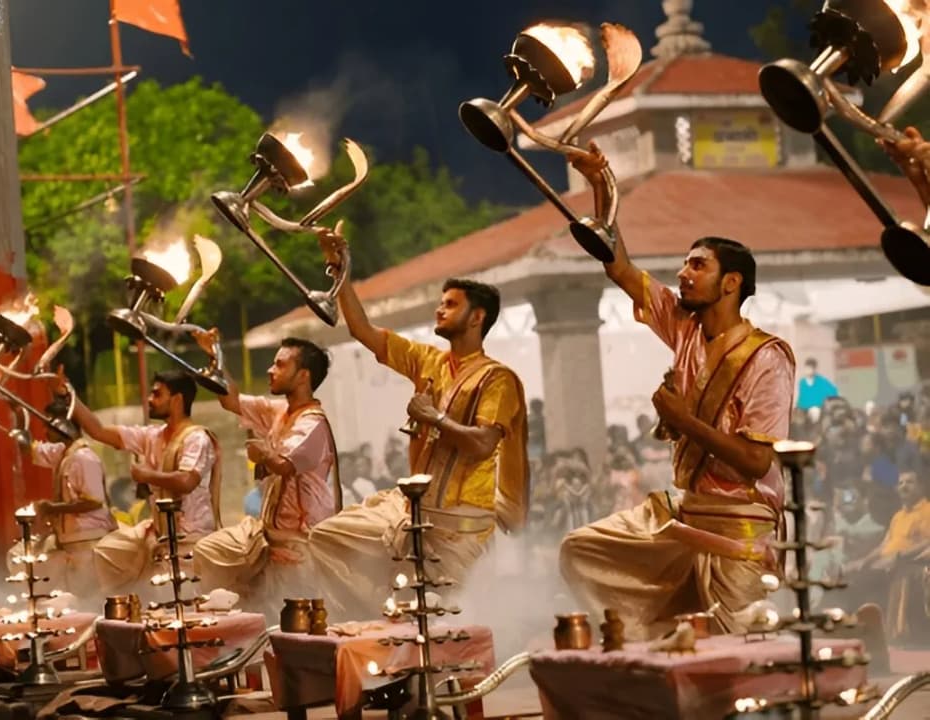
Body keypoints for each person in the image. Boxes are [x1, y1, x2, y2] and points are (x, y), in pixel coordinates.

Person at [559, 142, 795, 641]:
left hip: (738, 522)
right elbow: (618, 267)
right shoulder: (685, 327)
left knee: (741, 653)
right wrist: (602, 185)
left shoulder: (767, 357)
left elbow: (755, 463)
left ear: (731, 282)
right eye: (684, 265)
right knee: (581, 549)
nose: (683, 274)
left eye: (696, 265)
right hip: (684, 508)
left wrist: (683, 419)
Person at [307, 222, 529, 619]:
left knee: (449, 626)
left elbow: (481, 444)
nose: (438, 309)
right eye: (441, 303)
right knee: (328, 537)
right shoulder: (429, 361)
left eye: (450, 304)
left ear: (477, 317)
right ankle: (378, 625)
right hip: (410, 512)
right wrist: (340, 270)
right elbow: (361, 329)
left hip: (460, 528)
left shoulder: (498, 378)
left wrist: (435, 417)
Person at [191, 332, 340, 611]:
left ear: (303, 376)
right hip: (270, 540)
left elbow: (285, 465)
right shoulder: (279, 411)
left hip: (299, 548)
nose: (271, 370)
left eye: (281, 364)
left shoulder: (313, 423)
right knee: (209, 553)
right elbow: (231, 401)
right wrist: (216, 354)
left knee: (296, 627)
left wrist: (264, 454)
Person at [52, 368, 221, 593]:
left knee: (183, 607)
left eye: (157, 394)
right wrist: (69, 394)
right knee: (107, 553)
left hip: (191, 540)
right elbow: (99, 431)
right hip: (161, 537)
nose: (150, 400)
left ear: (178, 400)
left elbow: (187, 480)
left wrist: (146, 475)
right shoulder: (152, 436)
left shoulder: (197, 438)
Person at [6, 396, 117, 598]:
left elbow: (93, 501)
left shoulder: (84, 457)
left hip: (89, 542)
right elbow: (28, 448)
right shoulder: (62, 452)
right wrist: (19, 414)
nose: (45, 431)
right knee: (20, 558)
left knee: (88, 601)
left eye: (49, 425)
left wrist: (51, 508)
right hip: (68, 543)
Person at [843, 469, 930, 644]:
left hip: (908, 562)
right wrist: (863, 562)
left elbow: (927, 542)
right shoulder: (897, 516)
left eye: (909, 482)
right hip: (885, 562)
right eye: (901, 483)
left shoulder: (927, 511)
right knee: (848, 575)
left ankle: (886, 634)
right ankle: (855, 630)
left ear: (920, 486)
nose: (904, 486)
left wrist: (899, 557)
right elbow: (884, 544)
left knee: (867, 580)